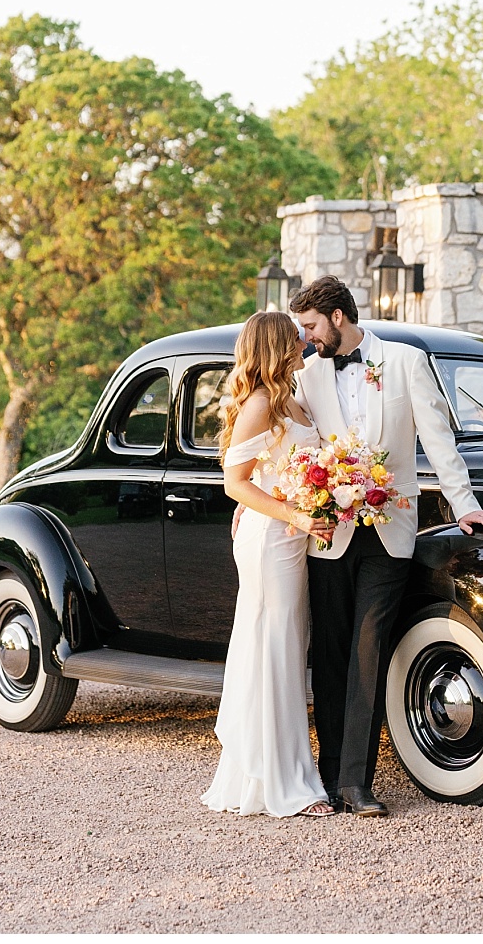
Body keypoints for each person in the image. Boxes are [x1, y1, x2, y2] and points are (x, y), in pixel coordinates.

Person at [290, 274, 483, 816]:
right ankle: (330, 778)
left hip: (390, 529)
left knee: (369, 649)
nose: (308, 338)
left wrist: (465, 505)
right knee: (333, 653)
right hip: (328, 533)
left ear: (338, 316)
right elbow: (289, 444)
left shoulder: (406, 362)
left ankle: (357, 783)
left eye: (312, 325)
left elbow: (439, 439)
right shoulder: (309, 375)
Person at [200, 311, 336, 818]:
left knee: (285, 646)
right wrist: (293, 515)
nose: (305, 340)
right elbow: (234, 482)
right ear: (277, 346)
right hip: (272, 540)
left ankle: (276, 770)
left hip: (289, 533)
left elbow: (273, 468)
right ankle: (285, 783)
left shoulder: (291, 399)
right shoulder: (259, 404)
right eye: (296, 336)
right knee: (274, 646)